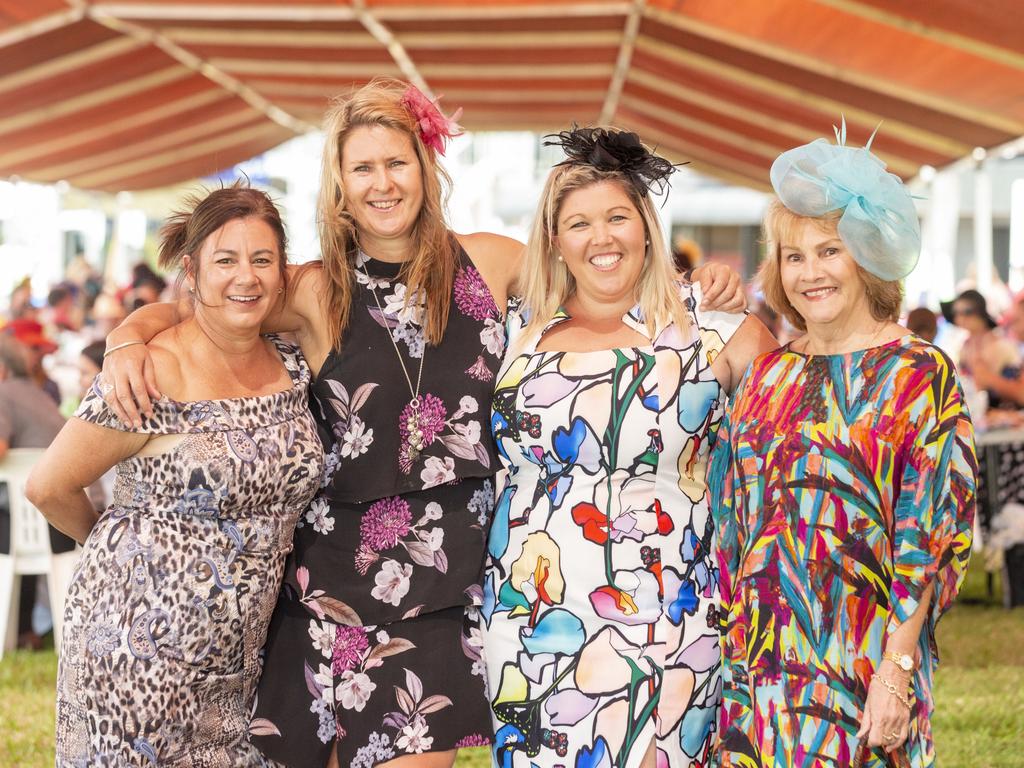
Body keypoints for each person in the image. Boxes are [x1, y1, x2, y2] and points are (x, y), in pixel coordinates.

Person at [98, 79, 745, 768]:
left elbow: (598, 271)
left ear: (426, 168)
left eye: (397, 162)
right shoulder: (315, 288)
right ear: (340, 186)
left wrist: (700, 291)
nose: (383, 183)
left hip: (446, 595)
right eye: (363, 168)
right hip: (324, 593)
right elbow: (204, 302)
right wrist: (125, 341)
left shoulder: (491, 263)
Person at [482, 127, 776, 768]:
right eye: (579, 223)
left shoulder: (711, 323)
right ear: (555, 239)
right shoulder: (514, 330)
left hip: (673, 615)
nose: (602, 237)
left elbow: (795, 428)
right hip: (533, 621)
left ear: (646, 225)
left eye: (618, 216)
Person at [24, 186, 324, 765]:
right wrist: (116, 548)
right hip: (139, 648)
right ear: (190, 271)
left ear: (282, 273)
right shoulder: (152, 369)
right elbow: (48, 485)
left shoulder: (291, 362)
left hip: (243, 654)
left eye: (262, 259)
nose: (247, 277)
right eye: (226, 260)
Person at [710, 126, 976, 768]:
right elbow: (737, 514)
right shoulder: (768, 372)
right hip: (761, 662)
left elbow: (930, 535)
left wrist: (898, 665)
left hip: (864, 655)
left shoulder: (918, 372)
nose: (809, 274)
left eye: (829, 251)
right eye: (792, 256)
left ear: (867, 253)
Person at [0, 333, 71, 650]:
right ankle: (23, 629)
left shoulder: (3, 395)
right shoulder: (40, 395)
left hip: (41, 520)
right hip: (61, 520)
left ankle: (21, 629)